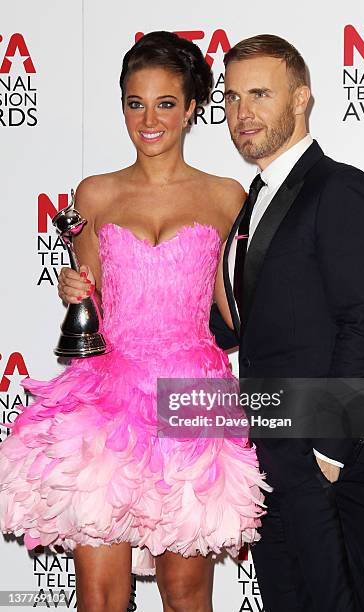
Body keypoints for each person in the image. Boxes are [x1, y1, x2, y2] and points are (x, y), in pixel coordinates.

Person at [0, 31, 268, 612]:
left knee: (185, 591)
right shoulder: (95, 194)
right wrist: (77, 289)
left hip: (193, 394)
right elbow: (89, 300)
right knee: (97, 595)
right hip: (108, 391)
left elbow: (238, 308)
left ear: (192, 106)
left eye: (166, 103)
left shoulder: (226, 196)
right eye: (135, 103)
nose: (149, 119)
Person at [210, 34, 364, 612]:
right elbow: (237, 326)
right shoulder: (255, 199)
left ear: (301, 99)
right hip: (269, 446)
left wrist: (328, 451)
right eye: (233, 97)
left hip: (323, 451)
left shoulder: (339, 188)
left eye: (260, 94)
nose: (243, 113)